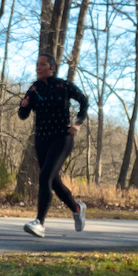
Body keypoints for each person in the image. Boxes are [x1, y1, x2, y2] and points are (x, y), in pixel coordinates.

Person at [18, 53, 88, 238]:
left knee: (44, 176)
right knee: (53, 181)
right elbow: (23, 115)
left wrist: (78, 124)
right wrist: (24, 105)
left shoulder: (63, 85)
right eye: (37, 64)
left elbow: (83, 101)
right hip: (42, 139)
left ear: (52, 68)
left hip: (62, 137)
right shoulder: (34, 89)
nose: (38, 67)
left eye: (43, 64)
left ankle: (39, 223)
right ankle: (76, 207)